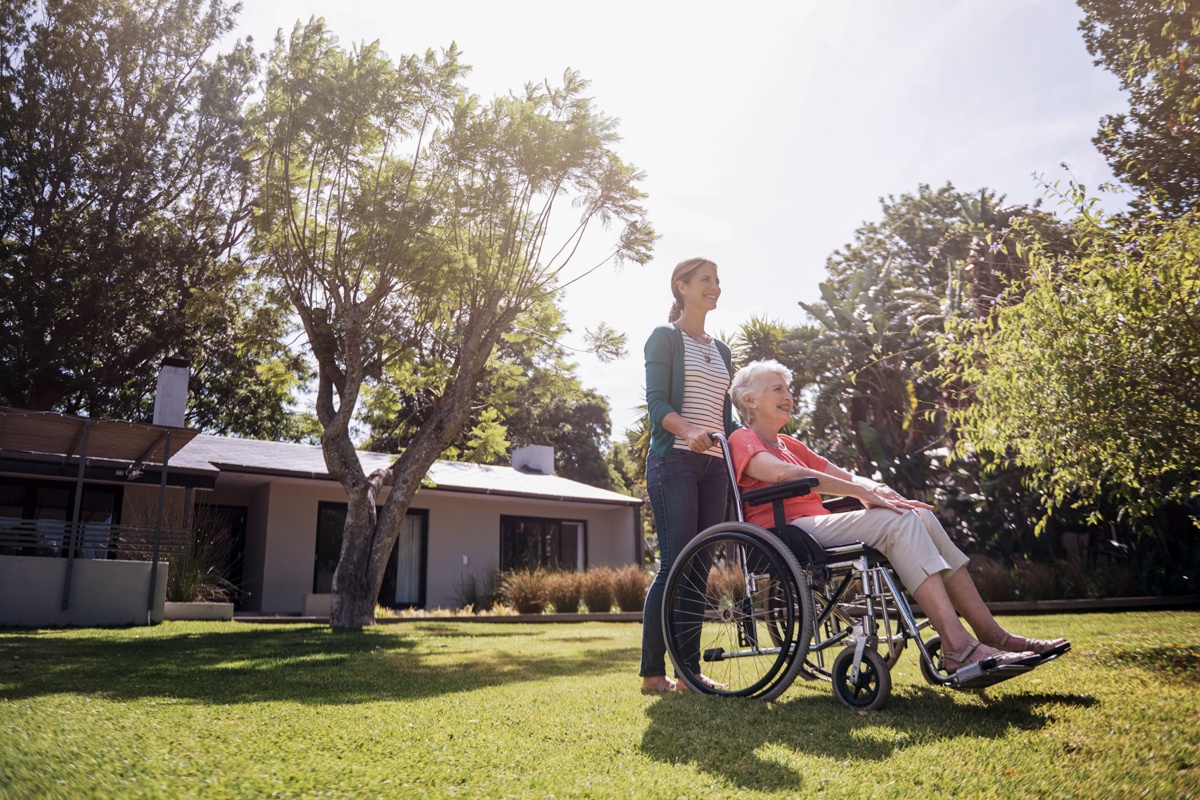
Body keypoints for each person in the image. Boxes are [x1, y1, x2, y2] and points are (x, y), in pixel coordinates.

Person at [726, 359, 1069, 674]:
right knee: (899, 521)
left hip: (813, 526)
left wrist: (881, 490)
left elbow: (846, 475)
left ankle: (993, 635)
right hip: (785, 531)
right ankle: (958, 647)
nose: (788, 396)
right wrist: (861, 493)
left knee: (917, 514)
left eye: (788, 389)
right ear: (750, 401)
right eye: (778, 389)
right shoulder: (742, 439)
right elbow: (783, 474)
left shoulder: (790, 444)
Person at [639, 257, 739, 692]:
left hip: (714, 467)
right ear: (681, 287)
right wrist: (690, 431)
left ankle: (688, 673)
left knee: (699, 569)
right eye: (705, 280)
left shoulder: (722, 350)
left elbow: (725, 416)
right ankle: (652, 673)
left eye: (717, 280)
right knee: (675, 565)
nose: (714, 286)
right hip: (674, 461)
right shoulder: (665, 337)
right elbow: (657, 404)